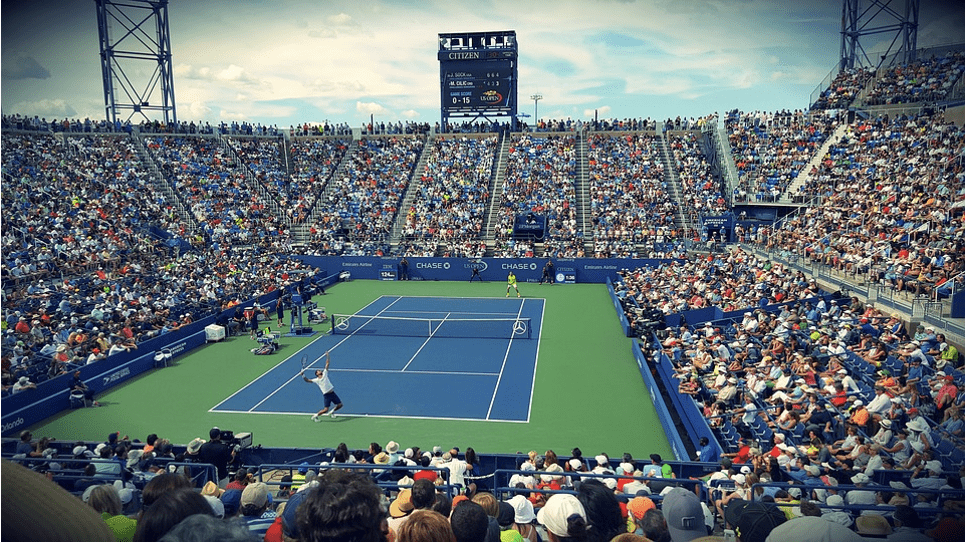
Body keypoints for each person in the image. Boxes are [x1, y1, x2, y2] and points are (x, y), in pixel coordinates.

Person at [304, 351, 343, 421]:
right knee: (325, 410)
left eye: (319, 370)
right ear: (317, 374)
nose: (320, 371)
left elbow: (327, 363)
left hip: (332, 393)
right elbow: (308, 380)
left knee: (340, 405)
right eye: (318, 371)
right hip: (326, 395)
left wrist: (327, 356)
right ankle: (315, 416)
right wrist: (303, 375)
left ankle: (332, 412)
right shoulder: (316, 380)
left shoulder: (325, 373)